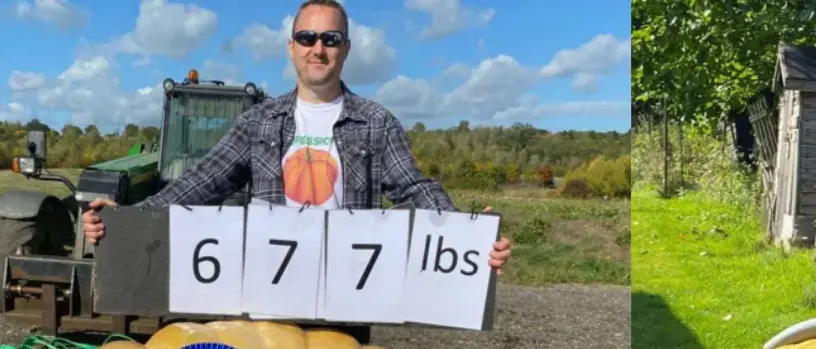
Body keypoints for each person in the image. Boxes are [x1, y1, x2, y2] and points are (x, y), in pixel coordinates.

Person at [81, 0, 512, 275]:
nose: (318, 48)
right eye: (307, 37)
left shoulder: (377, 122)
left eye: (330, 38)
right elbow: (202, 182)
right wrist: (129, 216)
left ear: (345, 48)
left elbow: (415, 188)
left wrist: (467, 237)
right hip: (269, 283)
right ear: (291, 47)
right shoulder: (259, 122)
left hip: (349, 285)